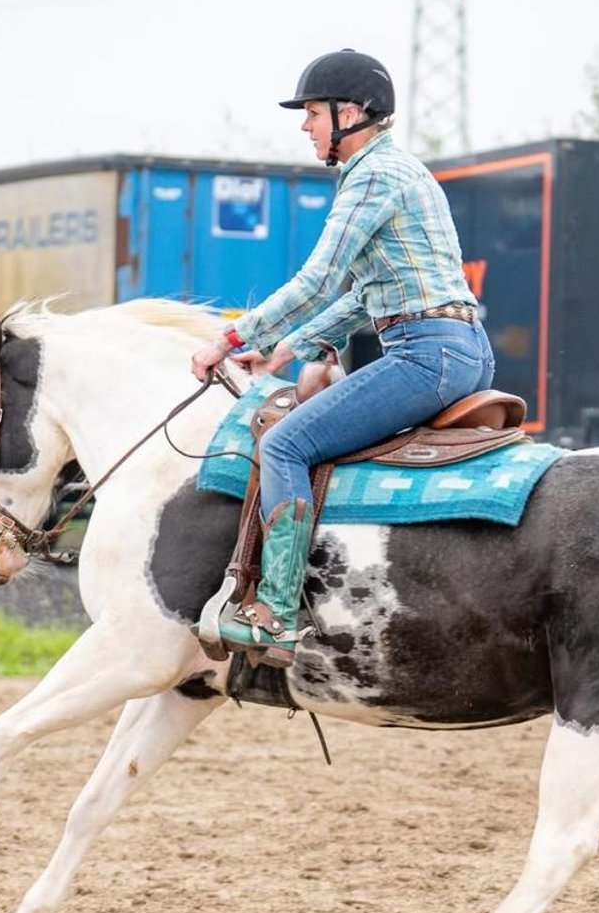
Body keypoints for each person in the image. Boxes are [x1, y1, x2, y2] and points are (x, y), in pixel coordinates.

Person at [189, 48, 495, 663]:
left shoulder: (373, 175)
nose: (305, 127)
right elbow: (362, 296)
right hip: (458, 349)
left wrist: (229, 339)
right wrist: (287, 349)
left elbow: (318, 280)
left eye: (311, 114)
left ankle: (274, 611)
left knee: (283, 445)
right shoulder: (399, 171)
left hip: (424, 353)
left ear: (349, 112)